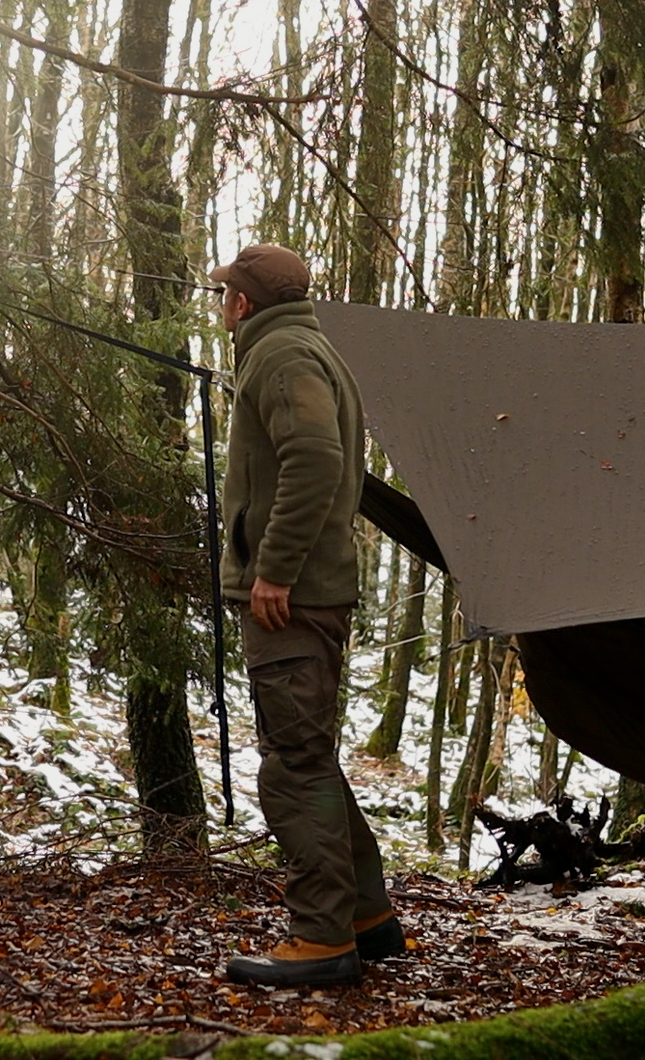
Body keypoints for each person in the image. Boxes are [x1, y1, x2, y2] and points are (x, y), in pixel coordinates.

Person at [213, 244, 404, 988]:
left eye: (227, 294)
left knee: (292, 768)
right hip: (309, 591)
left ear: (245, 303)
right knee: (311, 757)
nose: (221, 305)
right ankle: (367, 916)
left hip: (293, 598)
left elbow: (318, 458)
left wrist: (273, 571)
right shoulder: (300, 345)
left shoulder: (283, 353)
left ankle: (321, 940)